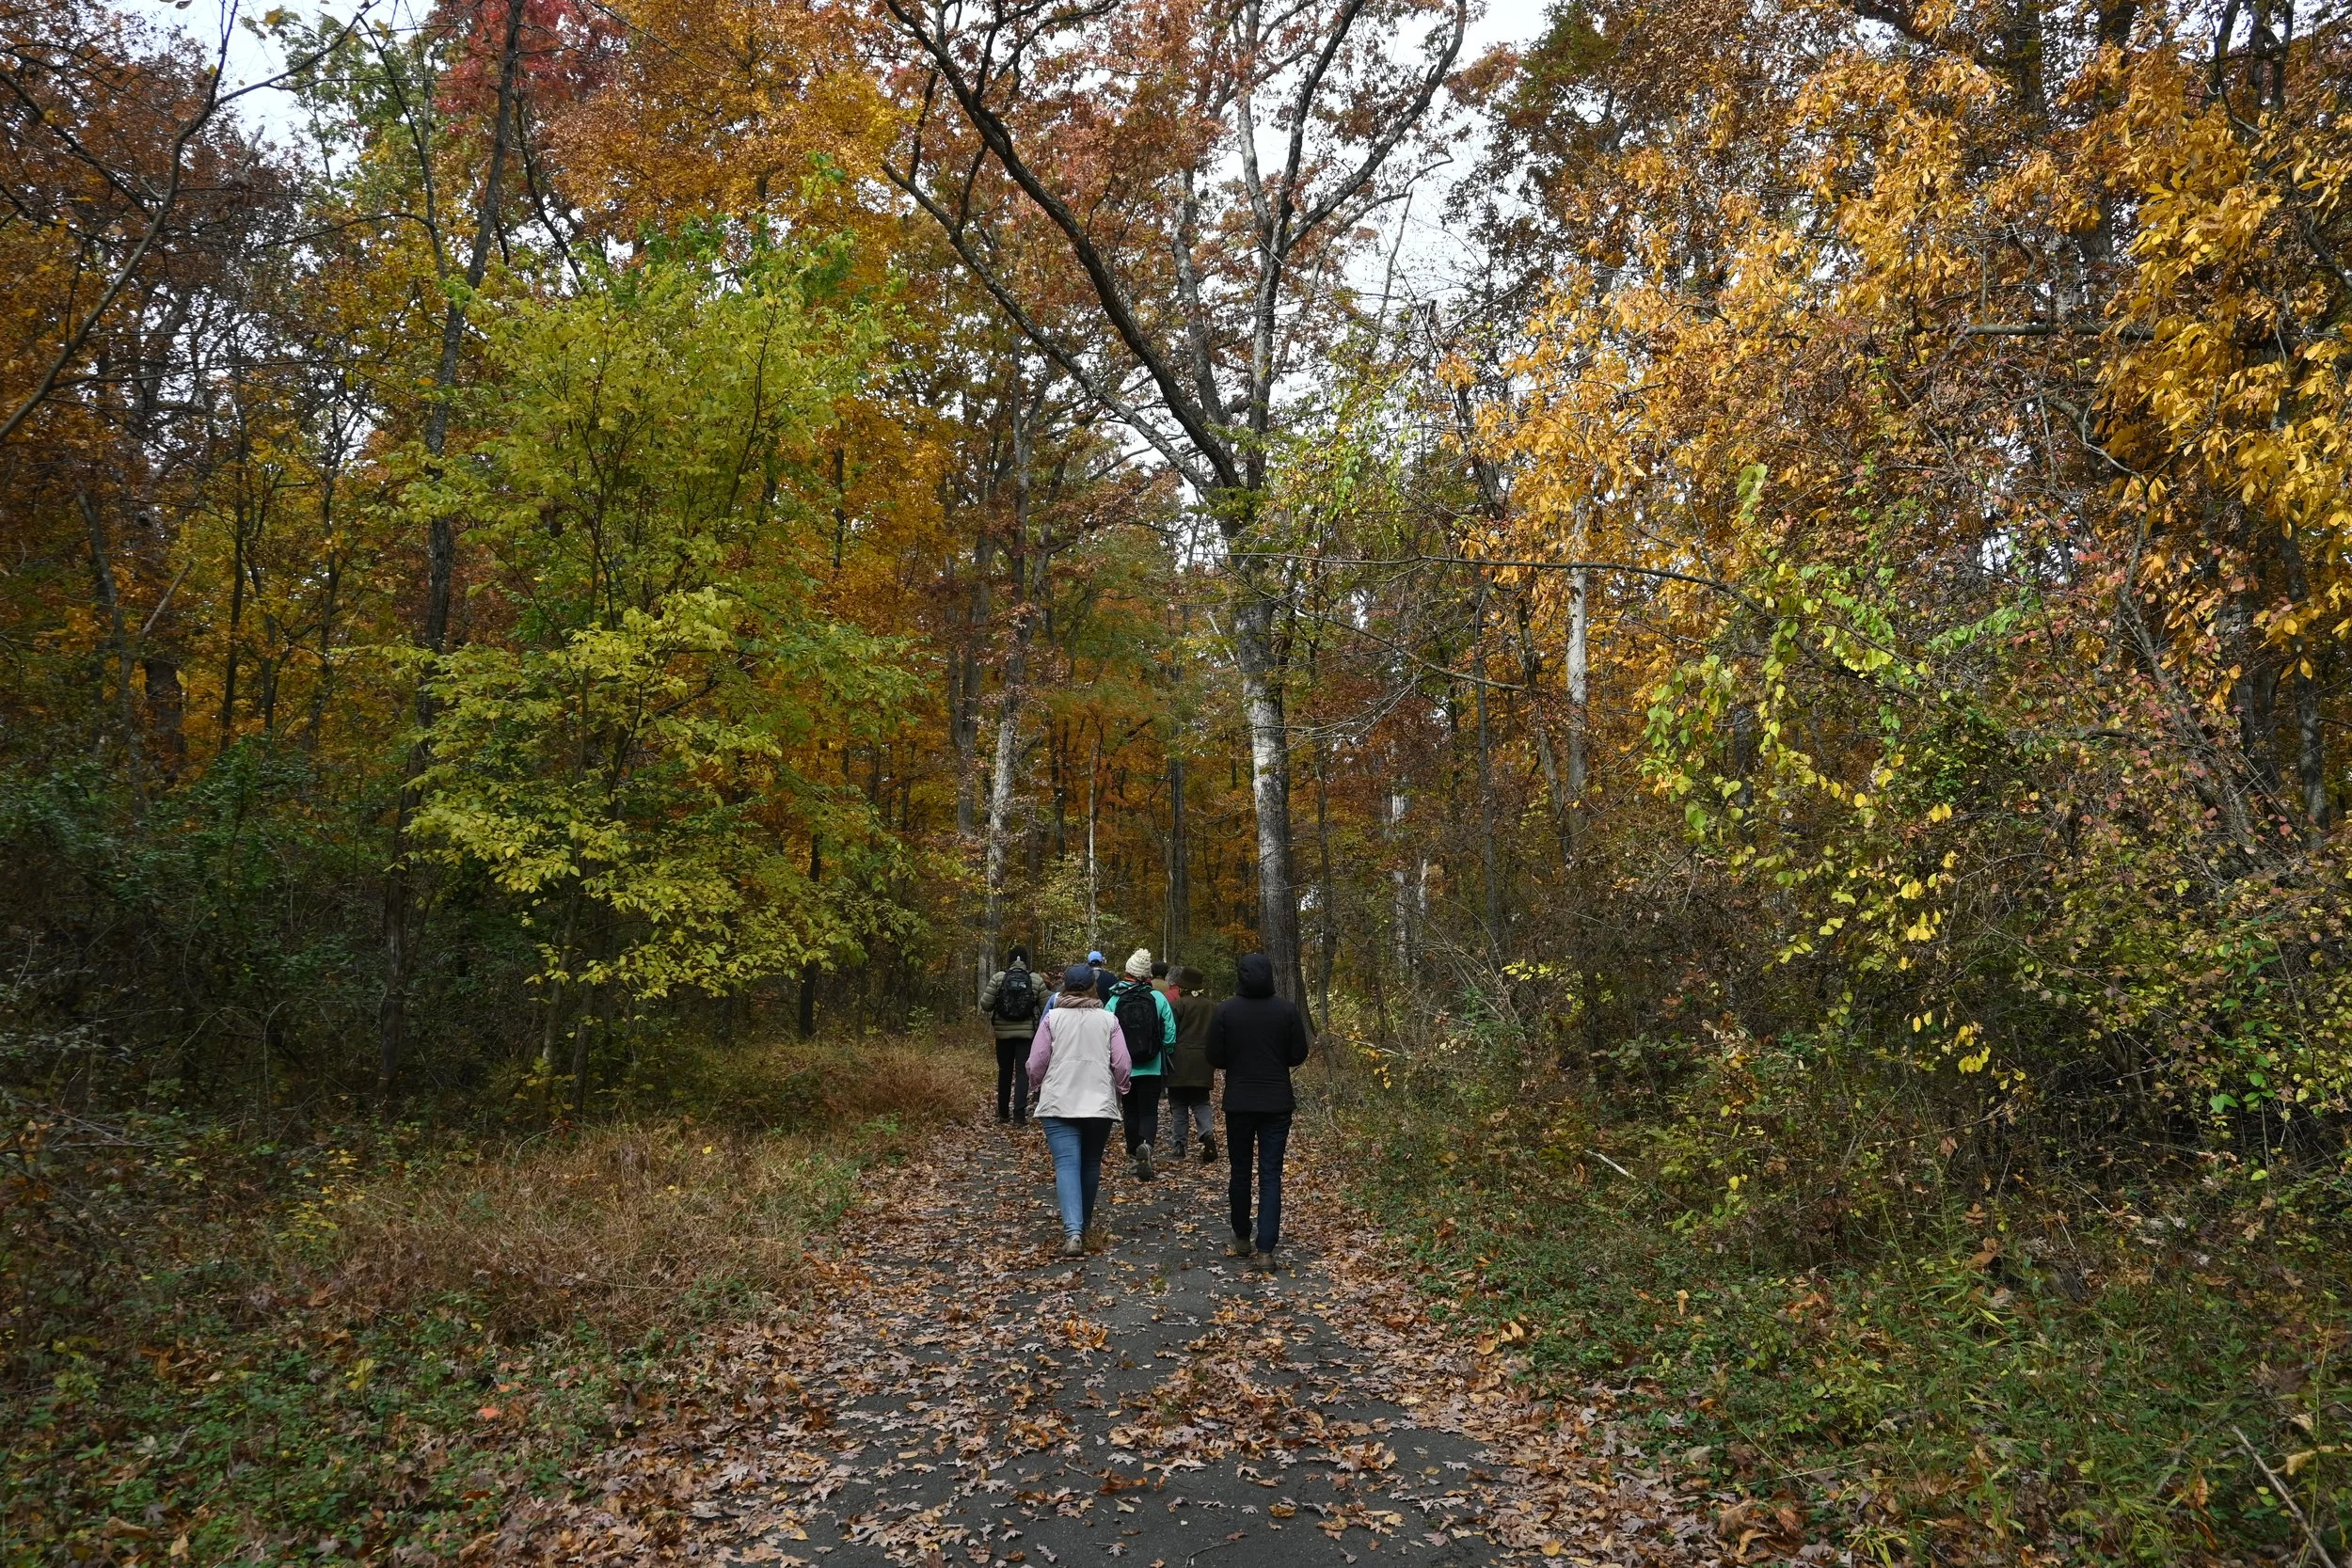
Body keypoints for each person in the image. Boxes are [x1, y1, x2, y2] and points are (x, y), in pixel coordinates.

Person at [1205, 951, 1311, 1273]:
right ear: (1270, 977)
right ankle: (1266, 1250)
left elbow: (1215, 1057)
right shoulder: (1286, 1011)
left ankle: (1241, 1237)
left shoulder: (1225, 1011)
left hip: (1239, 1102)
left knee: (1240, 1172)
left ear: (1241, 976)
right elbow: (1298, 1054)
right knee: (1270, 1175)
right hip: (1277, 1102)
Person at [1028, 962, 1132, 1257]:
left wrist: (1037, 1086)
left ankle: (1073, 1233)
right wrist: (1122, 1089)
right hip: (1098, 1103)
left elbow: (1036, 1062)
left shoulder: (1052, 1019)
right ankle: (1083, 1225)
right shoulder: (1108, 1020)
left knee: (1066, 1165)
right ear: (1092, 987)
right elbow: (1123, 1063)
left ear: (1064, 986)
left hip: (1059, 1101)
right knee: (1089, 1163)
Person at [1107, 947, 1175, 1180]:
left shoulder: (1115, 998)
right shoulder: (1157, 998)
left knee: (1130, 1111)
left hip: (1124, 1067)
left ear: (1128, 971)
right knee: (1149, 1111)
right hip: (1152, 1064)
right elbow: (1170, 1034)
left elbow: (1106, 1032)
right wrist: (1165, 1051)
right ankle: (1146, 1145)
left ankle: (1133, 1154)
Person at [978, 946, 1041, 1123]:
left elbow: (985, 1004)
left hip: (1003, 1035)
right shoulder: (1035, 979)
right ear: (1026, 961)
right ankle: (1019, 1116)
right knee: (1022, 1073)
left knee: (1004, 1071)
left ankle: (1003, 1113)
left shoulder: (999, 978)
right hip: (1026, 1035)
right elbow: (1046, 1009)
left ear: (1010, 960)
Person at [1162, 964, 1217, 1163]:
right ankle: (1207, 1133)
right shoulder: (1212, 1007)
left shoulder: (1178, 1005)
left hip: (1179, 1060)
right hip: (1204, 1061)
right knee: (1201, 1102)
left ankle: (1179, 1145)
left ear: (1183, 985)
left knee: (1178, 1105)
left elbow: (1170, 1033)